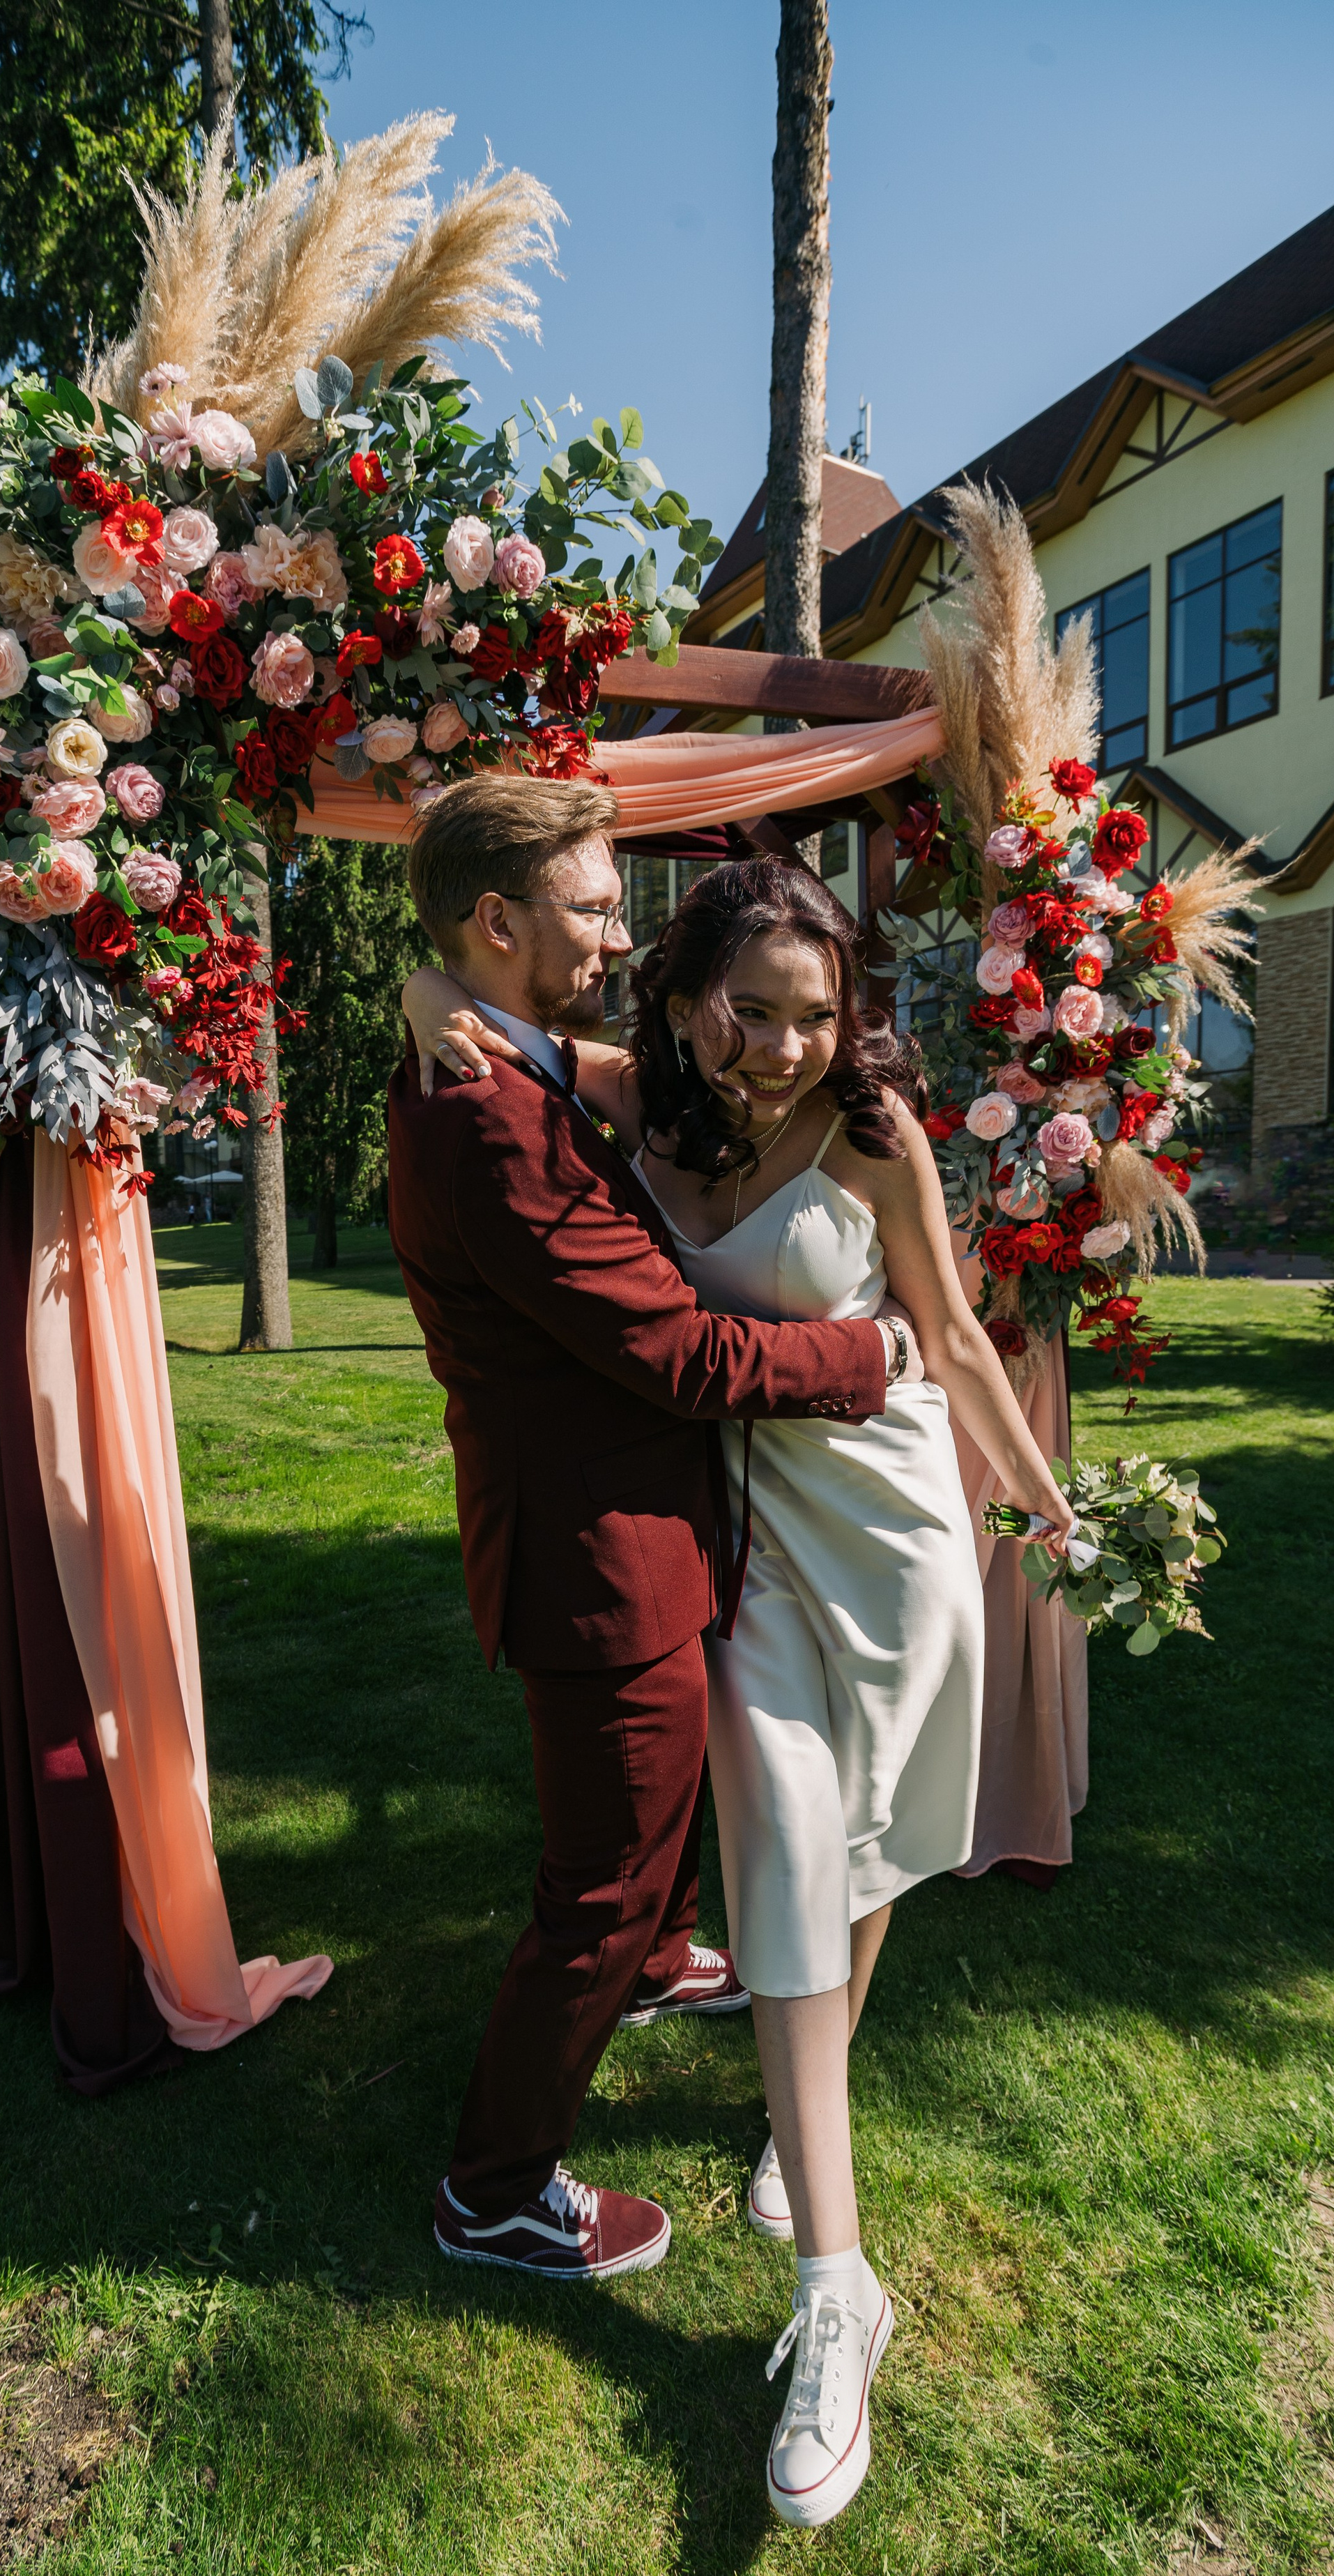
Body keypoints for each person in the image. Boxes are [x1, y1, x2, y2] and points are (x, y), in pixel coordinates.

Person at [404, 853, 1071, 2532]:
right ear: (694, 1000)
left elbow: (954, 1337)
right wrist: (415, 993)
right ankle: (836, 2295)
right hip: (754, 1550)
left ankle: (809, 2107)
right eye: (749, 1010)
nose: (779, 1046)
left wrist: (1045, 1511)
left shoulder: (869, 1130)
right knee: (782, 1846)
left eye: (812, 1014)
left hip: (894, 1521)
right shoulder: (645, 1099)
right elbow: (494, 1034)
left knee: (866, 1845)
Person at [386, 777, 903, 2310]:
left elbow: (599, 1069)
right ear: (497, 923)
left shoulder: (501, 1046)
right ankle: (493, 2191)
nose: (618, 932)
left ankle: (670, 1953)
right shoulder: (488, 1117)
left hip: (629, 1522)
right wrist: (867, 1363)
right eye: (594, 907)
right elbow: (677, 1351)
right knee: (595, 1884)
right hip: (590, 1550)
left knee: (653, 1830)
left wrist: (417, 982)